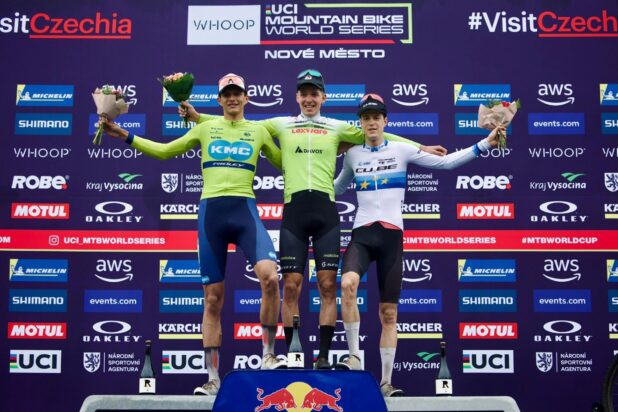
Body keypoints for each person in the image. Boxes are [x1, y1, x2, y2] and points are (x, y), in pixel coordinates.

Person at [180, 69, 446, 369]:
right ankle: (293, 353)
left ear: (323, 97)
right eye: (304, 93)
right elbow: (237, 124)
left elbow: (377, 133)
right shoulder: (280, 123)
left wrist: (418, 148)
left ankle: (322, 356)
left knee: (327, 285)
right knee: (291, 286)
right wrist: (198, 118)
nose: (309, 99)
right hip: (294, 212)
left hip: (325, 213)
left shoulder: (336, 126)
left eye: (314, 94)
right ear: (297, 97)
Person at [100, 73, 286, 396]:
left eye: (237, 93)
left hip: (245, 210)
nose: (232, 98)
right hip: (211, 215)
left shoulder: (258, 131)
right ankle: (213, 378)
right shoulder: (204, 128)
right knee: (212, 299)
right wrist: (125, 135)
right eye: (227, 94)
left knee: (270, 278)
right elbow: (164, 151)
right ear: (219, 99)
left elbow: (286, 162)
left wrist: (321, 148)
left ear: (246, 97)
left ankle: (268, 355)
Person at [332, 93, 502, 396]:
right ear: (360, 123)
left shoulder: (401, 149)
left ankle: (385, 383)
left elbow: (447, 163)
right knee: (347, 284)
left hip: (391, 238)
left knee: (389, 314)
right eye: (366, 118)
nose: (371, 123)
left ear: (385, 121)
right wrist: (304, 182)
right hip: (362, 235)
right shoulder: (353, 154)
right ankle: (354, 357)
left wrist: (486, 144)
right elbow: (337, 188)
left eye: (376, 117)